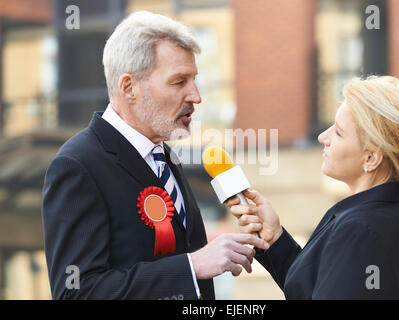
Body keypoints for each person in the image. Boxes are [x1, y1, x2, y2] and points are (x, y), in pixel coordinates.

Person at [42, 11, 268, 300]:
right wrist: (192, 266)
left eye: (195, 80)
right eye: (178, 82)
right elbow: (75, 292)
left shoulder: (165, 155)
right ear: (129, 87)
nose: (196, 96)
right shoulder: (77, 165)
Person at [227, 76, 399, 299]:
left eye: (339, 132)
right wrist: (274, 238)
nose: (323, 137)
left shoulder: (361, 229)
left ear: (370, 158)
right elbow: (316, 289)